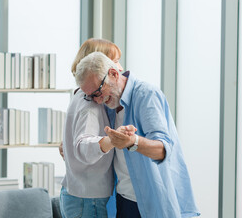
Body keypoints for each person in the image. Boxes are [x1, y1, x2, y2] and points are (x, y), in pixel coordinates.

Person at [74, 51, 200, 218]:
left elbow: (163, 149)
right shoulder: (109, 103)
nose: (97, 101)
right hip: (123, 200)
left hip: (152, 202)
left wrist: (133, 142)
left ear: (113, 74)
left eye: (98, 92)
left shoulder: (146, 95)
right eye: (91, 97)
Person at [60, 38, 122, 218]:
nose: (119, 68)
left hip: (79, 194)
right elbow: (83, 144)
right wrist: (111, 140)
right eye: (115, 61)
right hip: (88, 199)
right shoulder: (91, 103)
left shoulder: (80, 96)